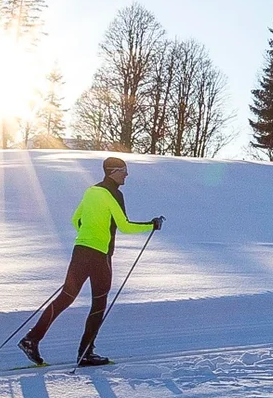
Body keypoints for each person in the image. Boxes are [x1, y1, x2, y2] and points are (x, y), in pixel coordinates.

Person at [18, 157, 164, 368]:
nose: (126, 174)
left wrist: (87, 237)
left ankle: (31, 339)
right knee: (99, 302)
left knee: (65, 298)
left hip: (80, 251)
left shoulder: (91, 191)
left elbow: (75, 219)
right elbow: (124, 226)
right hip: (100, 256)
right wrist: (151, 225)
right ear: (113, 171)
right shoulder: (114, 194)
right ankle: (86, 353)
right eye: (124, 170)